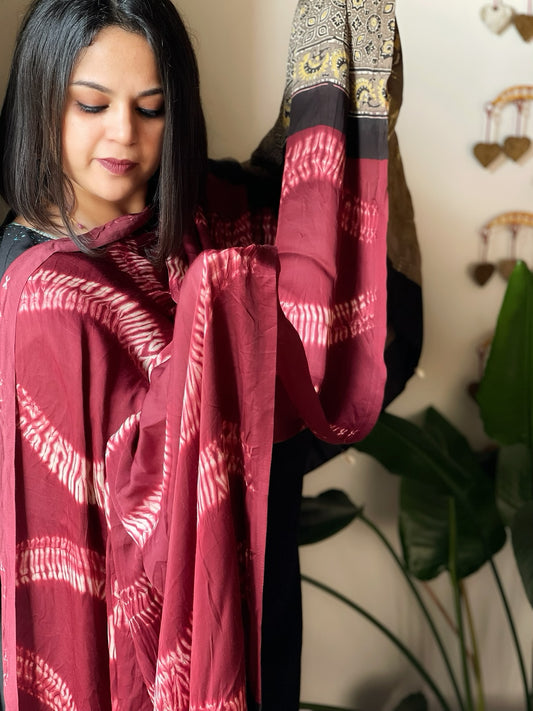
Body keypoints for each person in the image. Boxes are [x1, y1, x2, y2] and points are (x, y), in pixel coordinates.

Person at [0, 0, 396, 709]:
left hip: (245, 595)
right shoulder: (41, 290)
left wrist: (336, 35)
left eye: (151, 109)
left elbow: (302, 211)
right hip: (131, 657)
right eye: (91, 105)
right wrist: (222, 306)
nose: (124, 133)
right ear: (39, 99)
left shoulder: (189, 221)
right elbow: (131, 508)